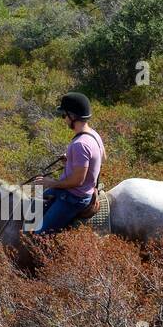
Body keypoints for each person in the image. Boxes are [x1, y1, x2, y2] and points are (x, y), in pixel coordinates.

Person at [33, 92, 105, 234]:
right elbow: (102, 158)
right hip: (74, 192)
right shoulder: (93, 135)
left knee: (39, 234)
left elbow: (77, 181)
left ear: (73, 116)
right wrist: (72, 160)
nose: (64, 119)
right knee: (33, 207)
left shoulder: (80, 144)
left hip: (74, 197)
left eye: (64, 115)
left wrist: (50, 182)